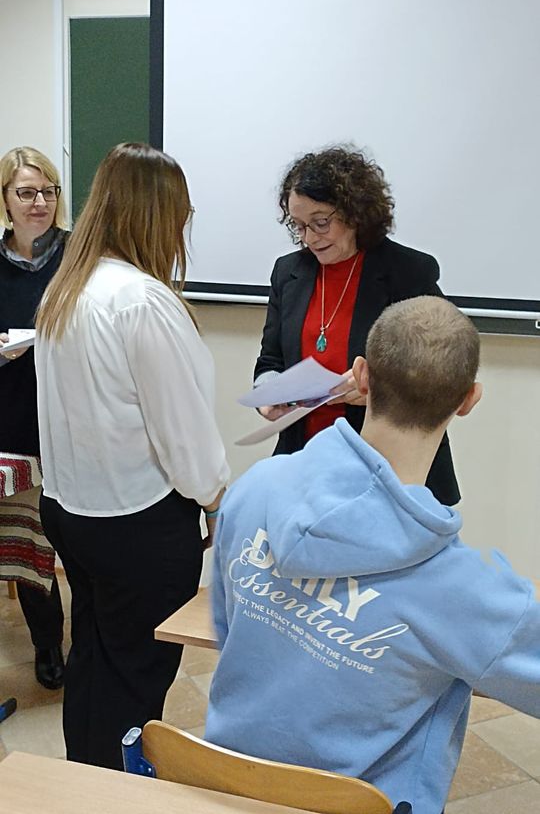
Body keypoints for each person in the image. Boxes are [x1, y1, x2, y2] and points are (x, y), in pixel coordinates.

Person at [207, 296, 540, 814]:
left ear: (360, 377)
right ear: (468, 400)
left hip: (225, 787)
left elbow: (227, 628)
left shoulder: (257, 487)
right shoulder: (471, 592)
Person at [35, 142, 230, 770]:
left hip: (73, 511)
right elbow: (184, 433)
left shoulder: (66, 290)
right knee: (135, 679)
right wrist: (215, 501)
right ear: (157, 216)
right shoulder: (143, 301)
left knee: (94, 659)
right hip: (138, 523)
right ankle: (116, 792)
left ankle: (85, 783)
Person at [255, 145, 458, 504]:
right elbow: (270, 360)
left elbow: (443, 368)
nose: (309, 238)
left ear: (355, 212)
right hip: (307, 464)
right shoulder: (288, 272)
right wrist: (269, 394)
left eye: (321, 222)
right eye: (299, 226)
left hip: (393, 470)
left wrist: (378, 393)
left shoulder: (408, 272)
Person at [0, 146, 67, 690]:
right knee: (27, 537)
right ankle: (47, 643)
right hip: (13, 419)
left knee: (80, 537)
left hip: (72, 417)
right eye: (26, 192)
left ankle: (92, 634)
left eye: (48, 191)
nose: (39, 202)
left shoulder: (78, 254)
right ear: (5, 200)